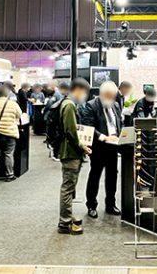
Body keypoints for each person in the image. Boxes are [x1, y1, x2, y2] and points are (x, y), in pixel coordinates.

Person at [80, 80, 123, 218]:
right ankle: (91, 205)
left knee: (112, 176)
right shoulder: (91, 105)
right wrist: (104, 137)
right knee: (95, 175)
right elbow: (88, 127)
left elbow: (118, 123)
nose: (110, 99)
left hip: (113, 147)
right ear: (101, 94)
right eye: (108, 96)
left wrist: (120, 136)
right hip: (98, 147)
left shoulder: (116, 105)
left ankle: (110, 204)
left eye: (113, 96)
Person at [58, 78, 92, 235]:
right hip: (70, 152)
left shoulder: (68, 103)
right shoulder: (69, 105)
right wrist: (83, 146)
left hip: (70, 151)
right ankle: (64, 222)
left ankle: (67, 216)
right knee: (68, 187)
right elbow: (71, 132)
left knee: (69, 186)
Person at [0, 85, 23, 182]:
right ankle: (9, 175)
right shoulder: (13, 104)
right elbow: (19, 115)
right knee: (9, 154)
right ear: (7, 93)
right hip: (10, 132)